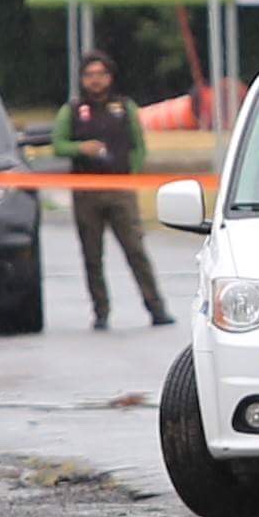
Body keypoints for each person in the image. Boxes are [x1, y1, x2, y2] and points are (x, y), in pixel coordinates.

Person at [51, 51, 174, 330]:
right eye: (89, 75)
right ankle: (101, 311)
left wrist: (133, 174)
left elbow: (139, 145)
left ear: (110, 77)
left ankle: (156, 307)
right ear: (82, 79)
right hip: (86, 192)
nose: (95, 81)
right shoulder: (72, 110)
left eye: (101, 74)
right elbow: (58, 144)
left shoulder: (124, 106)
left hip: (120, 189)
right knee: (92, 255)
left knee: (135, 250)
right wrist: (79, 148)